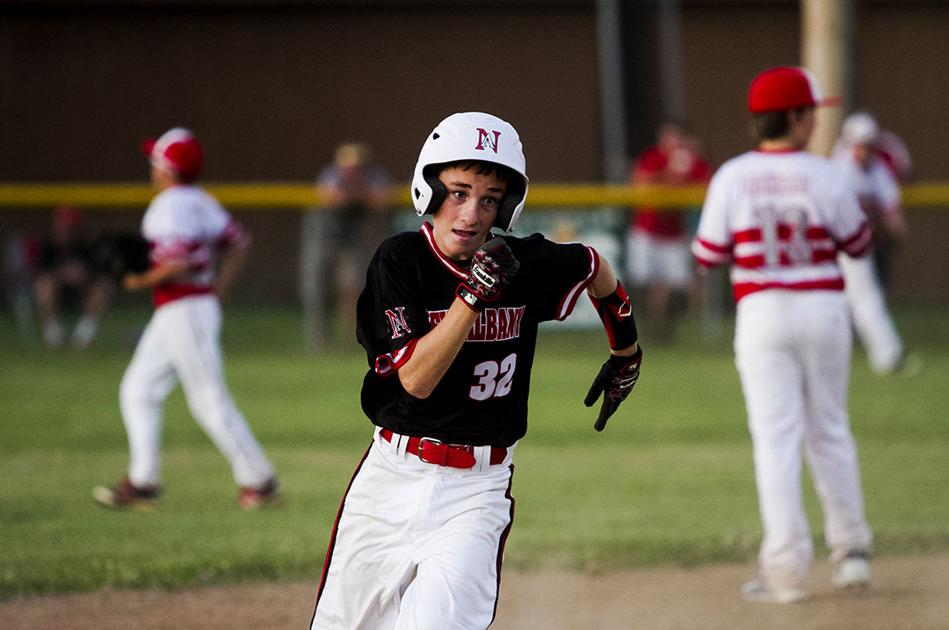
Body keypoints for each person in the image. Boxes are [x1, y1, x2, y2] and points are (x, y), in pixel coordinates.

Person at [309, 112, 643, 629]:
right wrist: (472, 296)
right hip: (393, 477)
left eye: (489, 198)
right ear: (428, 190)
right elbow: (415, 381)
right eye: (458, 191)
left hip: (476, 490)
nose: (471, 212)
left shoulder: (523, 262)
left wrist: (627, 350)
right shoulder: (400, 261)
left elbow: (595, 266)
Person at [691, 67, 874, 603]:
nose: (816, 120)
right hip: (822, 307)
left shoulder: (732, 175)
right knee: (831, 430)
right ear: (795, 117)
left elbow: (707, 256)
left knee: (777, 441)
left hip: (763, 313)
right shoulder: (826, 173)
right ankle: (853, 554)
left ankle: (787, 573)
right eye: (811, 111)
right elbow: (859, 245)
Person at [93, 127, 280, 511]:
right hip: (183, 309)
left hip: (184, 309)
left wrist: (138, 279)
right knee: (139, 390)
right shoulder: (201, 201)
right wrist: (219, 290)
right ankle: (144, 481)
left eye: (155, 162)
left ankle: (259, 480)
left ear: (166, 168)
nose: (152, 169)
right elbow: (238, 243)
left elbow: (178, 263)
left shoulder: (168, 206)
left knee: (209, 401)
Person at [832, 112, 910, 374]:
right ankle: (887, 354)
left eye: (869, 144)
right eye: (860, 144)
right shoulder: (840, 167)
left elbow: (891, 212)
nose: (865, 150)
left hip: (854, 246)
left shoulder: (877, 169)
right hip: (833, 246)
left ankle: (884, 355)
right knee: (860, 298)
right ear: (849, 143)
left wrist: (897, 234)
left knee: (856, 299)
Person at [300, 142, 392, 350]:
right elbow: (333, 197)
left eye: (357, 167)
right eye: (348, 167)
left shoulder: (373, 175)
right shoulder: (331, 174)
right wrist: (361, 195)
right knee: (318, 289)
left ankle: (350, 339)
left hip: (350, 240)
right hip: (321, 237)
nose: (352, 172)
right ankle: (319, 342)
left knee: (353, 287)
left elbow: (381, 198)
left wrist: (355, 194)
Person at [625, 120, 711, 342]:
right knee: (643, 282)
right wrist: (672, 175)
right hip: (647, 231)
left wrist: (681, 171)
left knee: (675, 285)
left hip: (673, 235)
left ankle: (666, 329)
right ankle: (642, 328)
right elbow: (641, 183)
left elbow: (706, 183)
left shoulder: (690, 160)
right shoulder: (654, 157)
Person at [34, 205, 113, 349]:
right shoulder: (49, 247)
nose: (66, 232)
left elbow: (99, 273)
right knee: (44, 285)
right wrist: (62, 274)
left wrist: (83, 275)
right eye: (62, 228)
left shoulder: (87, 246)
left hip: (82, 290)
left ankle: (83, 334)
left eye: (69, 228)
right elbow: (41, 273)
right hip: (58, 290)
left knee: (103, 286)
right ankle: (54, 335)